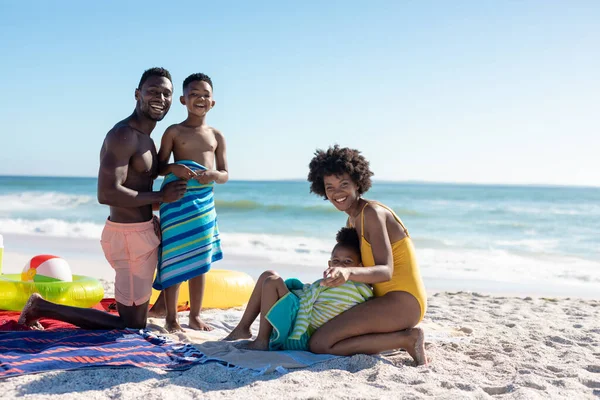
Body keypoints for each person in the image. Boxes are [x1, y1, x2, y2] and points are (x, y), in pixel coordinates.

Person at [18, 67, 187, 330]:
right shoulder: (123, 135)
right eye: (153, 91)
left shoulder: (148, 140)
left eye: (166, 93)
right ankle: (40, 307)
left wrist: (161, 205)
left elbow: (136, 186)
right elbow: (106, 192)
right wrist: (161, 196)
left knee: (136, 319)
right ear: (137, 94)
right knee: (132, 326)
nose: (160, 98)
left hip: (142, 233)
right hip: (127, 238)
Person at [305, 145, 427, 365]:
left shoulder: (372, 213)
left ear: (357, 183)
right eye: (329, 187)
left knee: (319, 344)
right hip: (382, 300)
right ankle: (394, 339)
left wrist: (348, 272)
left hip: (403, 303)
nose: (337, 193)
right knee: (321, 336)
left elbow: (385, 271)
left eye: (344, 184)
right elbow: (355, 267)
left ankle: (407, 338)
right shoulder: (352, 219)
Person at [148, 73, 228, 333]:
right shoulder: (174, 131)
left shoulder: (216, 135)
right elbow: (159, 167)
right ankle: (171, 318)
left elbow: (225, 174)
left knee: (199, 261)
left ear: (213, 102)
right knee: (173, 258)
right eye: (194, 94)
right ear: (183, 100)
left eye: (205, 94)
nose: (200, 99)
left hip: (203, 205)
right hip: (178, 200)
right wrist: (175, 167)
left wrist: (213, 175)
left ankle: (194, 316)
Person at [222, 227, 373, 351]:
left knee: (272, 282)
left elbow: (324, 311)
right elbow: (313, 296)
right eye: (336, 261)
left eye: (348, 261)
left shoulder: (355, 289)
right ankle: (242, 328)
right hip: (298, 313)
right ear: (329, 264)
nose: (341, 265)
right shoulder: (332, 281)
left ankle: (262, 341)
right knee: (267, 275)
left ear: (359, 267)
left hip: (301, 330)